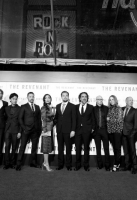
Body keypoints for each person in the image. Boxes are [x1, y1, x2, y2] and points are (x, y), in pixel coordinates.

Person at [16, 92, 41, 171]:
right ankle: (18, 164)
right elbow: (20, 118)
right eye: (30, 96)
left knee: (34, 148)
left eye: (33, 96)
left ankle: (33, 163)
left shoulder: (37, 107)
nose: (32, 98)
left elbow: (39, 119)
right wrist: (24, 128)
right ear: (27, 97)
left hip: (35, 130)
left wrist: (39, 129)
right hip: (26, 130)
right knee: (22, 147)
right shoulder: (23, 106)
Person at [54, 91, 76, 171]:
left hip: (68, 131)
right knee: (60, 149)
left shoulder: (72, 106)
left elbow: (74, 119)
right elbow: (56, 118)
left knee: (68, 149)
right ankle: (60, 165)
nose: (65, 97)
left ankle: (68, 165)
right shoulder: (57, 106)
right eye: (63, 95)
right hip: (59, 130)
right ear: (61, 97)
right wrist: (50, 123)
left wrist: (73, 130)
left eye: (66, 95)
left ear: (68, 97)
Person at [74, 92, 95, 171]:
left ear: (87, 98)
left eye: (85, 96)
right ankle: (77, 165)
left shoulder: (91, 107)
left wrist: (92, 128)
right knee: (78, 148)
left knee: (86, 148)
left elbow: (93, 119)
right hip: (77, 130)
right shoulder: (75, 107)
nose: (84, 98)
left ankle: (86, 165)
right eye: (82, 96)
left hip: (87, 130)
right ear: (79, 98)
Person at [3, 93, 21, 169]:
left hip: (16, 130)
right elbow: (4, 118)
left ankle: (12, 163)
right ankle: (6, 163)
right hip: (7, 130)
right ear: (10, 99)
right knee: (7, 147)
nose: (15, 100)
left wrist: (20, 131)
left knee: (14, 148)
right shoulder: (6, 108)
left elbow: (21, 121)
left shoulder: (20, 108)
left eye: (16, 99)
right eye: (13, 99)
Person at [107, 95, 123, 172]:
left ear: (115, 100)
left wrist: (109, 119)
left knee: (117, 148)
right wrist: (109, 119)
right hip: (110, 132)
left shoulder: (119, 108)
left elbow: (119, 120)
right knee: (114, 148)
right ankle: (117, 162)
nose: (111, 101)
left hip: (117, 131)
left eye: (112, 99)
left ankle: (116, 164)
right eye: (110, 100)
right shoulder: (109, 109)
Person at [93, 96, 110, 171]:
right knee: (98, 149)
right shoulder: (93, 108)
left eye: (101, 99)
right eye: (98, 99)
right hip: (97, 131)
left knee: (106, 148)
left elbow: (110, 118)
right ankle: (100, 165)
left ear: (102, 100)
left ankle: (107, 165)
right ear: (96, 100)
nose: (99, 101)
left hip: (104, 130)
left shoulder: (106, 108)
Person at [122, 97, 137, 174]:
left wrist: (132, 134)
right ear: (126, 101)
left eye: (132, 100)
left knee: (132, 151)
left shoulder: (135, 111)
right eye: (130, 100)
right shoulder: (122, 109)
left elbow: (136, 125)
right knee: (126, 150)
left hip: (131, 134)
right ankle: (127, 165)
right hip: (123, 134)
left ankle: (134, 167)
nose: (131, 102)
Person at [41, 94, 55, 172]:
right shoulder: (43, 108)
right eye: (45, 98)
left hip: (50, 129)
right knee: (45, 148)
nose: (47, 99)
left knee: (48, 146)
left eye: (49, 97)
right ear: (44, 100)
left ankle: (44, 163)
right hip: (46, 129)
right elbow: (44, 119)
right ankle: (47, 164)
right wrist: (44, 130)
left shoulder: (51, 107)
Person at [0, 89, 8, 165]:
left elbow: (6, 115)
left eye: (1, 93)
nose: (0, 94)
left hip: (2, 126)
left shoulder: (5, 103)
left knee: (0, 143)